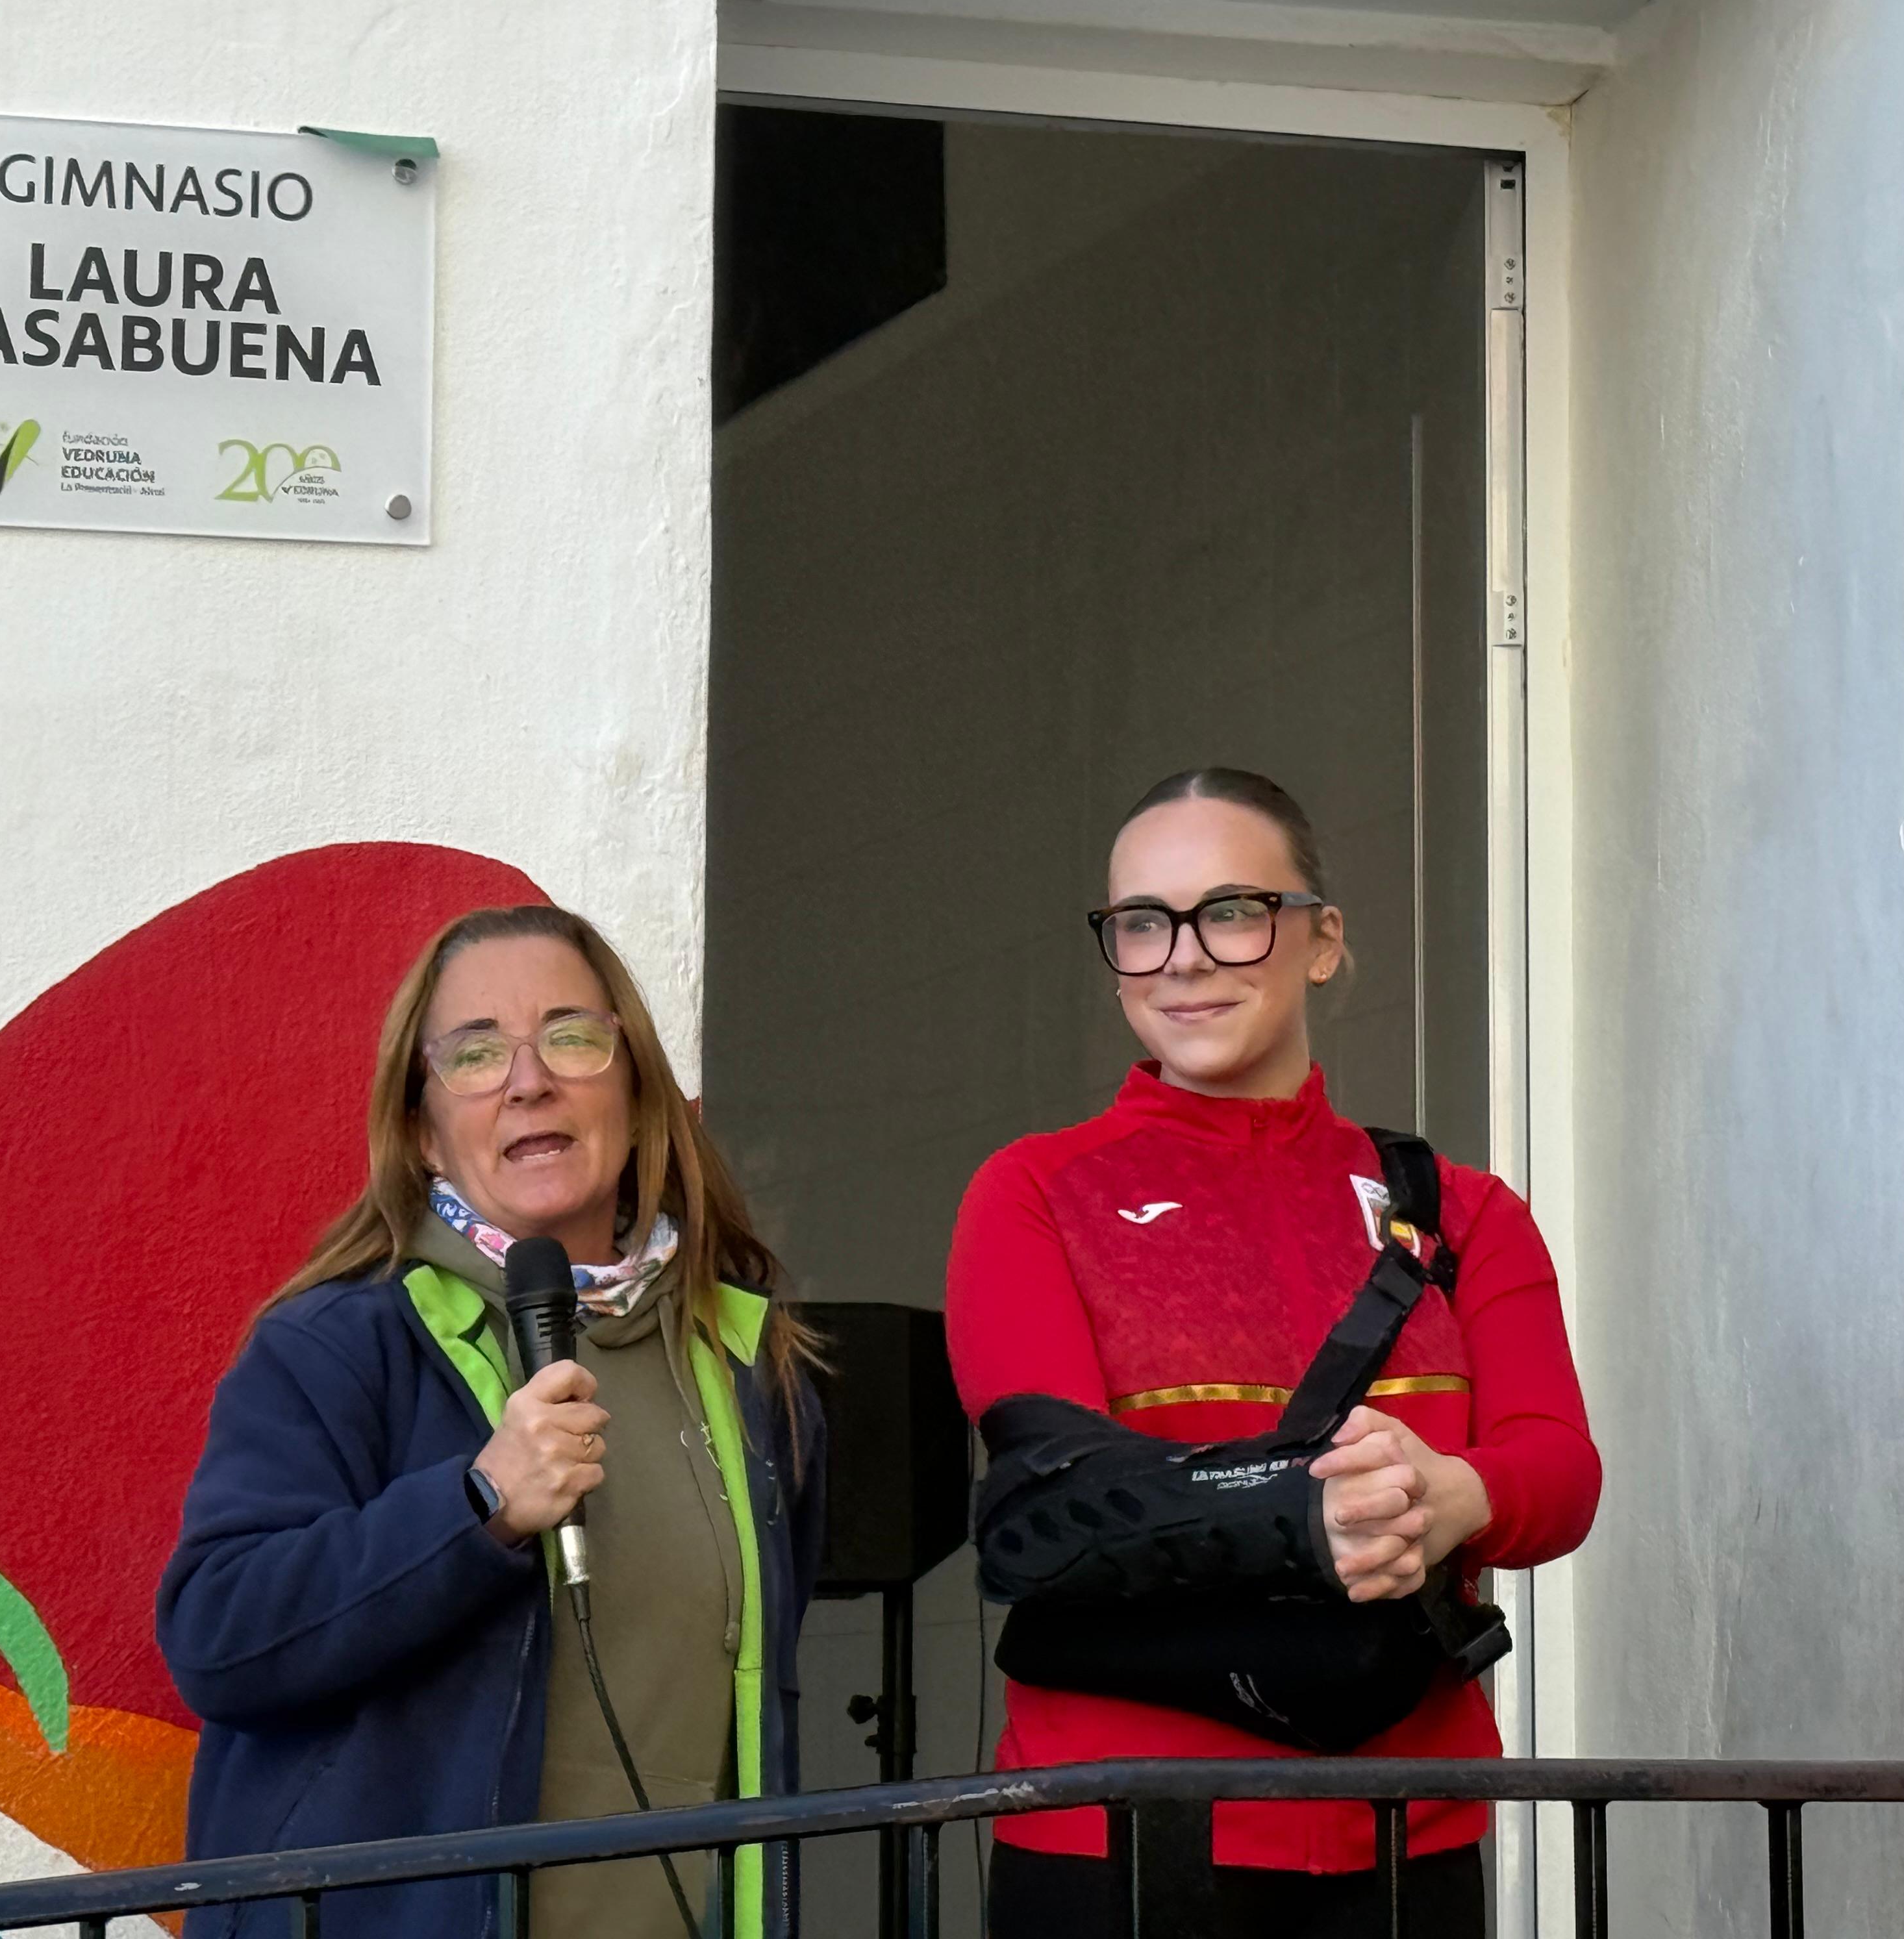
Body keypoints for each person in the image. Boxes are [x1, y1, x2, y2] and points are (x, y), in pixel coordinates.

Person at [946, 768, 1600, 1939]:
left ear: (1322, 941)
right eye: (1142, 924)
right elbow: (1066, 1502)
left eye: (1231, 912)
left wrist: (1454, 1497)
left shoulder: (1464, 1209)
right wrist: (1317, 1514)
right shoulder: (1033, 1191)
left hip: (1412, 1821)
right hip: (1120, 1829)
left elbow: (1560, 1471)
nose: (1183, 958)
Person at [157, 905, 823, 1939]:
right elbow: (217, 1635)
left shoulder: (749, 1367)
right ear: (424, 1129)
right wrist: (477, 1508)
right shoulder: (339, 1346)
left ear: (638, 1090)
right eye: (474, 1054)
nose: (528, 1080)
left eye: (572, 1036)